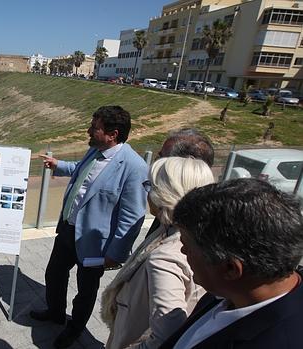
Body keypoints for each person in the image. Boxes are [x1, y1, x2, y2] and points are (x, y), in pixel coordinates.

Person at [30, 106, 148, 348]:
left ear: (113, 134)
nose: (89, 131)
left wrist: (116, 254)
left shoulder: (134, 167)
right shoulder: (95, 151)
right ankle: (55, 313)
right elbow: (80, 170)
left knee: (85, 290)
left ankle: (74, 330)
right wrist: (58, 164)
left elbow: (132, 215)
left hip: (95, 242)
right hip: (68, 229)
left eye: (95, 128)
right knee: (54, 274)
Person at [160, 178, 303, 349]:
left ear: (230, 269)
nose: (183, 251)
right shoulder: (229, 291)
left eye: (187, 246)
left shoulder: (279, 340)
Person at [101, 157, 214, 349]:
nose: (147, 193)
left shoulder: (166, 258)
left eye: (150, 186)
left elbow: (167, 334)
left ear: (166, 194)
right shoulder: (184, 232)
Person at [145, 129, 214, 238]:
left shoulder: (186, 239)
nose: (156, 162)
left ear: (185, 167)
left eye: (162, 157)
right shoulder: (168, 216)